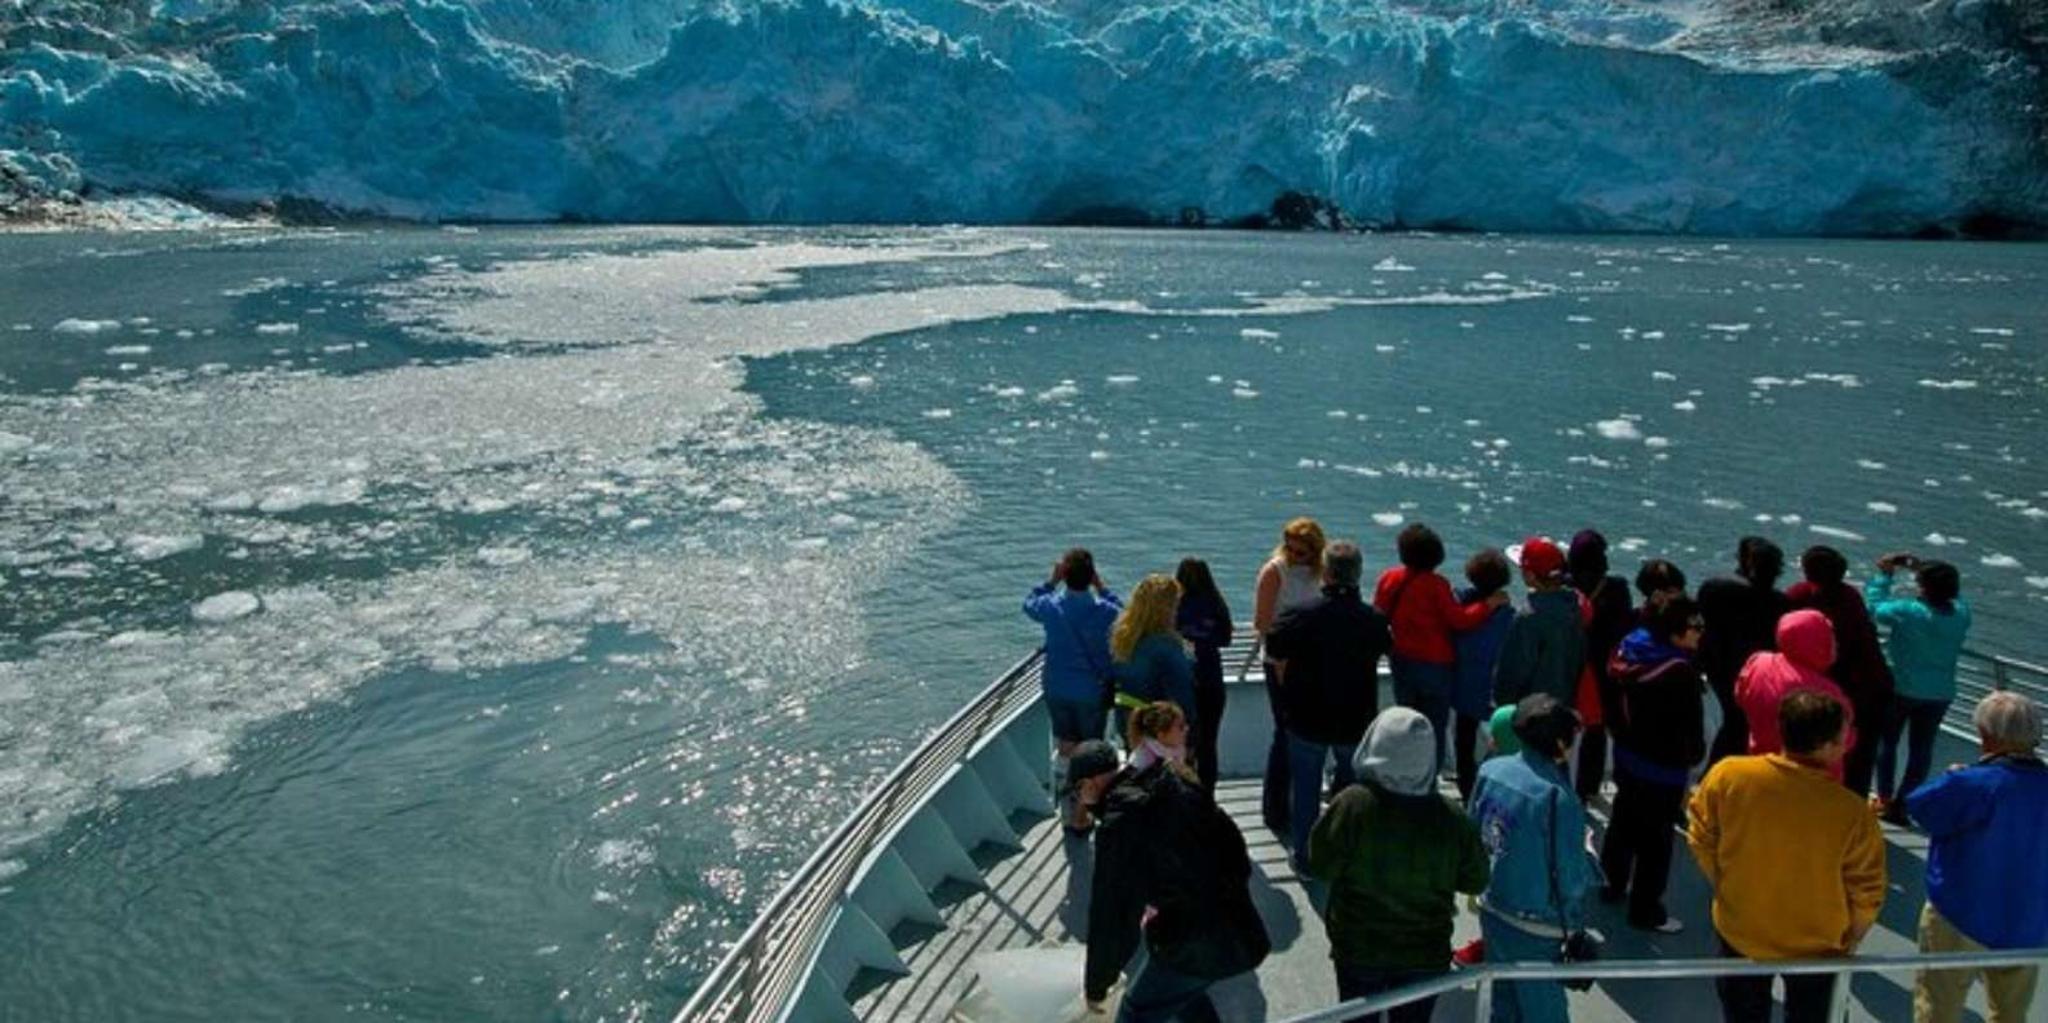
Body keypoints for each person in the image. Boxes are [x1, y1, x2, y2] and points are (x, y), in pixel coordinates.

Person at [1688, 690, 1886, 1023]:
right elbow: (1867, 891)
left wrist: (1727, 886)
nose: (1846, 743)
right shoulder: (1851, 812)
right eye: (1842, 736)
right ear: (1825, 746)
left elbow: (1700, 837)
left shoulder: (1729, 775)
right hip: (1818, 948)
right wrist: (1851, 937)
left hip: (1741, 929)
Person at [1308, 708, 1491, 1023]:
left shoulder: (1352, 804)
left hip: (1358, 949)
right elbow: (1475, 880)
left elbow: (1321, 865)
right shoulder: (1452, 818)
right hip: (1426, 952)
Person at [1073, 739, 1271, 1022]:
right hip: (1241, 926)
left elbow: (1113, 916)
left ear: (1088, 786)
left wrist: (1097, 985)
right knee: (1185, 996)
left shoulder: (1118, 825)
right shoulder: (1173, 783)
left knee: (1135, 1011)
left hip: (1191, 942)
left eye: (1077, 793)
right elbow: (1234, 847)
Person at [1907, 692, 2048, 1023]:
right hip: (2026, 920)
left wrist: (1951, 776)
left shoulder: (1972, 783)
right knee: (2011, 1012)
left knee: (1937, 1007)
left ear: (1987, 736)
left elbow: (1921, 808)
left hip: (1960, 912)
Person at [1265, 540, 1393, 871]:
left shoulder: (1301, 615)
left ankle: (1307, 857)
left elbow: (1275, 647)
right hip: (1355, 718)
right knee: (1351, 790)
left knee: (1305, 789)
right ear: (1358, 574)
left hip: (1307, 717)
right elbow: (1386, 646)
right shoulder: (1373, 620)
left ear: (1327, 574)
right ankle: (1346, 852)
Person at [1470, 695, 1598, 1023]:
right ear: (1559, 743)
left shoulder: (1489, 770)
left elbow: (1475, 835)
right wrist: (1588, 854)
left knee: (1503, 1006)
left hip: (1493, 910)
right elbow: (1570, 879)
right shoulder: (1558, 798)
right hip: (1537, 928)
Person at [1599, 596, 1706, 933]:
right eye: (1695, 627)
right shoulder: (1680, 673)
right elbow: (1691, 727)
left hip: (1627, 756)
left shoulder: (1627, 650)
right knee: (1656, 843)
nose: (1701, 633)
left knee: (1622, 822)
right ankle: (1645, 910)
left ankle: (1612, 884)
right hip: (1663, 768)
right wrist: (1693, 755)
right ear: (1675, 632)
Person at [1375, 523, 1509, 772]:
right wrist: (1488, 605)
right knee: (1433, 727)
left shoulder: (1388, 579)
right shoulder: (1437, 585)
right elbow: (1459, 621)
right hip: (1435, 666)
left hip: (1401, 660)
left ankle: (1405, 772)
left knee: (1407, 722)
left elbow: (1378, 617)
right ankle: (1429, 778)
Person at [1868, 553, 1973, 824]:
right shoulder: (1960, 615)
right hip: (1940, 693)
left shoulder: (1908, 611)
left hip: (1902, 688)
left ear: (1923, 587)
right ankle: (1904, 804)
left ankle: (1884, 798)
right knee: (1922, 750)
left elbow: (1875, 607)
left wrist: (1884, 575)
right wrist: (1923, 568)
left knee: (1887, 742)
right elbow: (1959, 601)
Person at [1024, 548, 1123, 831]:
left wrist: (1051, 581)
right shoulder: (1103, 611)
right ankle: (1087, 811)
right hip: (1091, 691)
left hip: (1057, 687)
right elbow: (1124, 615)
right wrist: (1102, 588)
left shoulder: (1051, 606)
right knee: (1091, 752)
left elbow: (1029, 604)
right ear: (1091, 576)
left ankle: (1068, 812)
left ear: (1065, 576)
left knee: (1066, 747)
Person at [1785, 545, 1894, 796]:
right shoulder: (1851, 597)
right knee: (1860, 760)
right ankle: (1852, 815)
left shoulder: (1802, 596)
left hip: (1841, 692)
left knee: (1822, 753)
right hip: (1875, 689)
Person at [1255, 517, 1328, 832]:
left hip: (1314, 662)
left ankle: (1302, 798)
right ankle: (1276, 808)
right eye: (1290, 548)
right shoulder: (1274, 572)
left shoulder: (1322, 572)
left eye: (1302, 552)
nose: (1294, 555)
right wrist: (1284, 655)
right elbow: (1262, 622)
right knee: (1284, 733)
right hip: (1281, 661)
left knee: (1310, 731)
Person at [1733, 609, 1856, 782]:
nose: (1835, 642)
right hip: (1812, 782)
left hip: (1761, 766)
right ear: (1817, 643)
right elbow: (1844, 741)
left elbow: (1740, 696)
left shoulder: (1758, 663)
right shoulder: (1828, 694)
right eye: (1829, 637)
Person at [1697, 537, 1789, 764]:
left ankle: (1714, 777)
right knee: (1740, 726)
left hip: (1717, 666)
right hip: (1759, 673)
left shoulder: (1715, 588)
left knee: (1732, 725)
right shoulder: (1780, 602)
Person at [1568, 529, 1636, 802]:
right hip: (1606, 667)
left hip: (1574, 664)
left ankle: (1571, 784)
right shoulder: (1617, 587)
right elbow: (1625, 628)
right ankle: (1594, 784)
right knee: (1607, 728)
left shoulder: (1565, 585)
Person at [1452, 548, 1517, 800]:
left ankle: (1465, 783)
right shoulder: (1509, 616)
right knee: (1500, 736)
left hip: (1463, 682)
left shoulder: (1460, 603)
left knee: (1464, 737)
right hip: (1493, 685)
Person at [1493, 537, 1585, 708]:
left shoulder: (1529, 616)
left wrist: (1502, 705)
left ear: (1530, 575)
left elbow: (1514, 671)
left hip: (1530, 714)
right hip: (1563, 708)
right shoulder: (1575, 606)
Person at [1111, 575, 1198, 751]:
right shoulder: (1167, 648)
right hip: (1162, 729)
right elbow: (1183, 696)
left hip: (1130, 722)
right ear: (1166, 609)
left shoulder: (1124, 640)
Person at [1176, 558, 1234, 797]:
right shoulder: (1216, 603)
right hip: (1210, 678)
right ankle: (1207, 794)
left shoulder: (1175, 605)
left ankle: (1185, 794)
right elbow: (1226, 639)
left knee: (1181, 742)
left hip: (1181, 681)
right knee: (1208, 743)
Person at [1125, 700, 1196, 775]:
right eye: (1181, 727)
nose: (1187, 728)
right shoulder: (1143, 760)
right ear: (1161, 735)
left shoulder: (1174, 749)